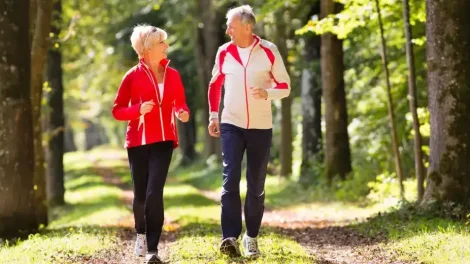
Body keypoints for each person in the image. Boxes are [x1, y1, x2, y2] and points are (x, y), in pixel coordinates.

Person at [207, 5, 291, 258]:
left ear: (247, 26)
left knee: (255, 186)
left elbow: (285, 86)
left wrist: (268, 93)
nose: (227, 30)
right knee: (230, 178)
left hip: (260, 126)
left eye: (231, 26)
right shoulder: (224, 52)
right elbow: (215, 85)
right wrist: (213, 116)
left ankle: (251, 237)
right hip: (231, 123)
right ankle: (230, 237)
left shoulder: (269, 51)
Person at [112, 24, 190, 264]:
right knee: (141, 196)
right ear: (146, 48)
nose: (166, 46)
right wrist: (137, 110)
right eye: (161, 43)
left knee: (155, 192)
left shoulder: (173, 75)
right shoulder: (132, 76)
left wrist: (182, 112)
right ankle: (141, 233)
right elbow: (117, 111)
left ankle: (153, 250)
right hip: (138, 141)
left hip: (164, 141)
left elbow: (181, 103)